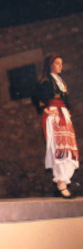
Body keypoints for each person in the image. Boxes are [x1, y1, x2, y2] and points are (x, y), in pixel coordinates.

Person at [33, 54, 79, 199]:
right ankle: (60, 184)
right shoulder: (45, 80)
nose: (60, 66)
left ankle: (64, 181)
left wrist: (68, 112)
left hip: (63, 114)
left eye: (61, 63)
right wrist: (44, 109)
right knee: (58, 147)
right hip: (53, 115)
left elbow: (66, 100)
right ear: (50, 65)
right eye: (57, 63)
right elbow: (35, 96)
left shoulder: (61, 81)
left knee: (69, 148)